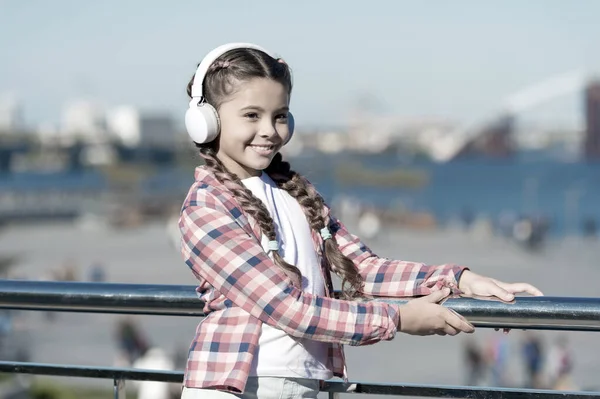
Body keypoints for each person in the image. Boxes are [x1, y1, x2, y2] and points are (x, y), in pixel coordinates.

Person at [177, 42, 544, 399]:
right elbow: (285, 307)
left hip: (308, 384)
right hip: (238, 387)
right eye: (251, 115)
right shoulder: (207, 206)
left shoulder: (294, 192)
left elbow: (363, 267)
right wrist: (397, 319)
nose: (270, 130)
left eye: (280, 115)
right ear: (206, 122)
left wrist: (461, 280)